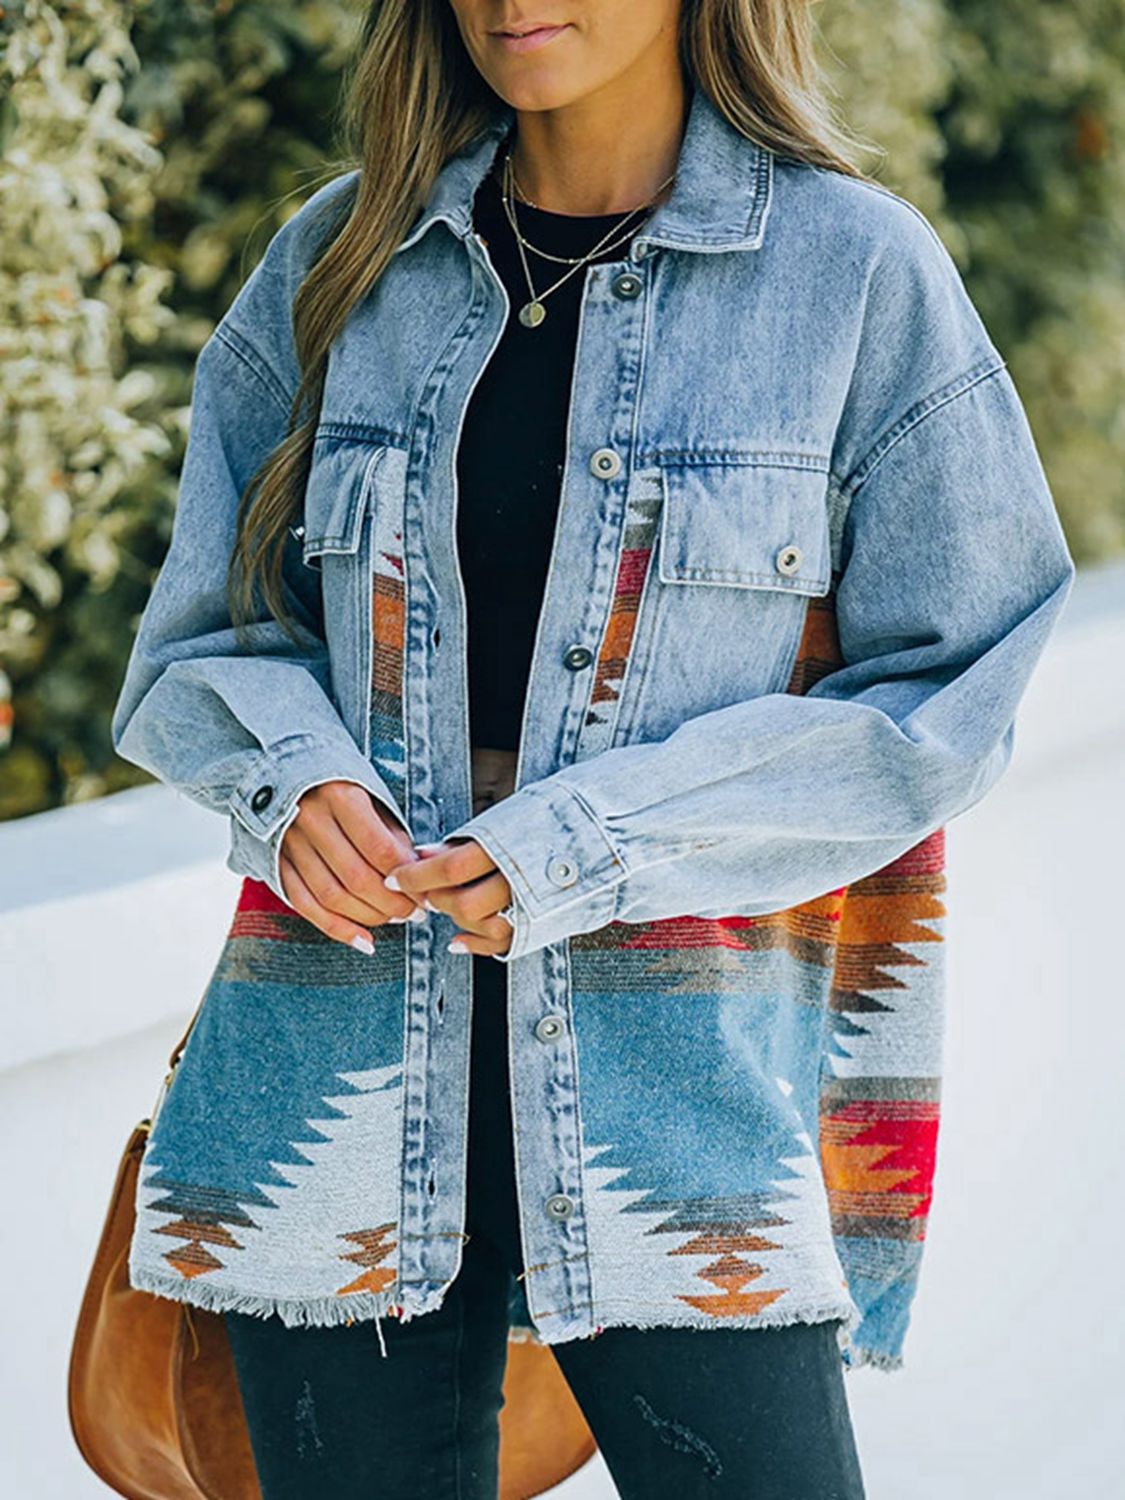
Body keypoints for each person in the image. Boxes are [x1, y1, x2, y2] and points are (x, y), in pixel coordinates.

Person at [109, 2, 1076, 1497]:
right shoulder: (340, 259)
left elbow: (948, 688)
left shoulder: (851, 277)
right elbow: (205, 639)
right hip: (334, 1099)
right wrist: (291, 780)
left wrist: (589, 844)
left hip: (683, 1116)